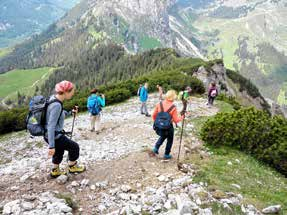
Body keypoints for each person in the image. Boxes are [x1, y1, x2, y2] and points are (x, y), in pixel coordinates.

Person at [45, 80, 85, 178]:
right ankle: (72, 166)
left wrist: (70, 113)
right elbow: (51, 125)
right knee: (74, 147)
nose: (73, 93)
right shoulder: (57, 105)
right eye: (72, 91)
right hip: (54, 136)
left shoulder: (54, 99)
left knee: (59, 151)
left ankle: (55, 170)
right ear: (66, 92)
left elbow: (59, 115)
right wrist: (51, 146)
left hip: (50, 135)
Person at [152, 90, 184, 159]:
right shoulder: (173, 107)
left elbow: (154, 115)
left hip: (159, 125)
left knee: (163, 136)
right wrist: (182, 117)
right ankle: (166, 154)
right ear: (173, 97)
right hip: (168, 126)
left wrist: (157, 123)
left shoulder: (159, 104)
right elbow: (176, 120)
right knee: (170, 139)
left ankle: (156, 148)